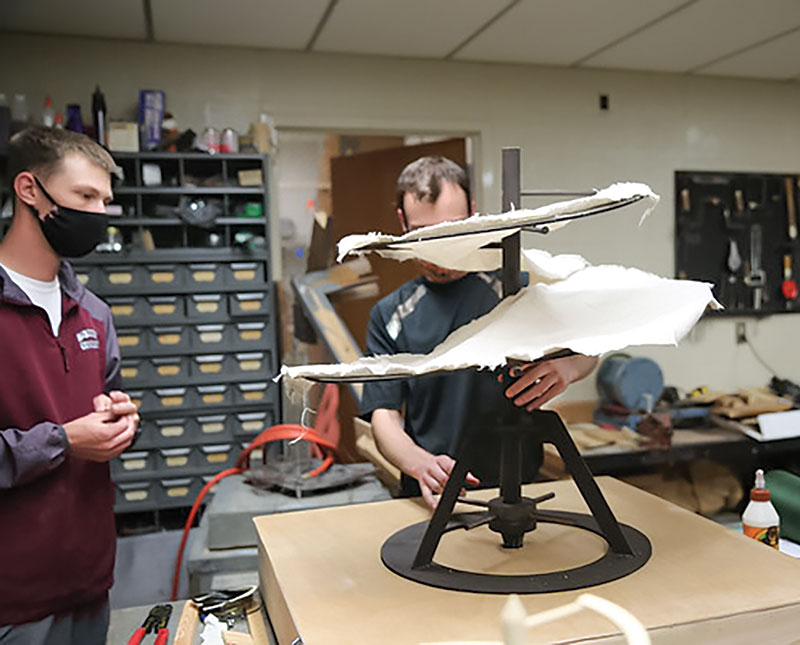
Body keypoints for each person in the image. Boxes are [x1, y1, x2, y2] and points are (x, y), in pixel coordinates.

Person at [360, 156, 597, 508]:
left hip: (518, 491)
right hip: (431, 496)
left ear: (473, 214)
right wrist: (418, 463)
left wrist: (568, 368)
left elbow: (589, 347)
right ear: (402, 223)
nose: (442, 247)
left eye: (453, 229)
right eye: (426, 234)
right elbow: (385, 415)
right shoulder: (390, 315)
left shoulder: (515, 287)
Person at [0, 126, 139, 644]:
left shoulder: (94, 313)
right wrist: (63, 441)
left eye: (105, 200)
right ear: (30, 190)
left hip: (89, 578)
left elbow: (100, 405)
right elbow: (64, 436)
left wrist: (119, 423)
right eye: (84, 196)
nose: (98, 213)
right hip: (14, 597)